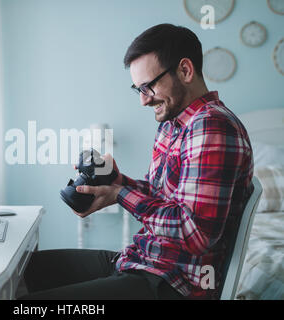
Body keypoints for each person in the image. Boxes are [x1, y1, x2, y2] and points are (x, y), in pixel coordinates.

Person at [18, 23, 254, 300]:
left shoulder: (212, 126)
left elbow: (195, 234)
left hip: (174, 284)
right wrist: (118, 182)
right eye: (138, 89)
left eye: (148, 87)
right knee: (27, 271)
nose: (143, 101)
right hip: (146, 261)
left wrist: (120, 194)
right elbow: (164, 198)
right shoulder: (173, 124)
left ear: (185, 70)